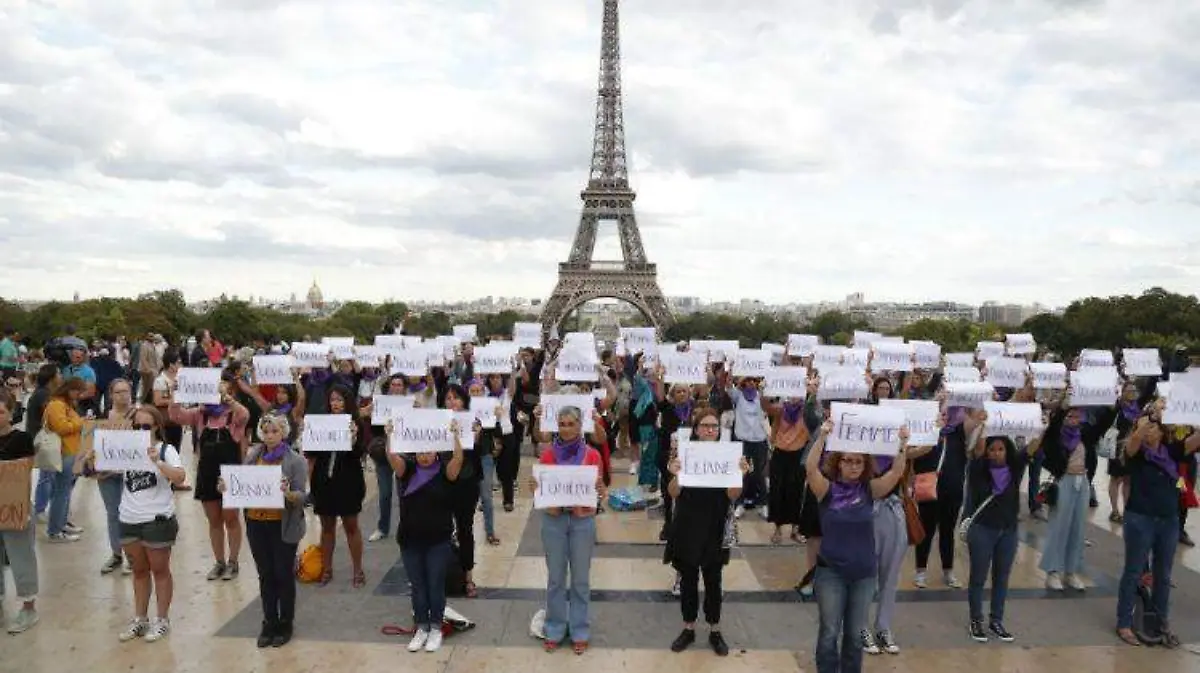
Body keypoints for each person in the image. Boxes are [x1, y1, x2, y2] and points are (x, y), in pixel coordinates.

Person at [805, 419, 907, 673]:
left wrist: (902, 444)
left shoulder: (869, 490)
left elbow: (895, 473)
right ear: (838, 462)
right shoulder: (826, 490)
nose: (852, 466)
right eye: (847, 460)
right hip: (831, 572)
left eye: (858, 461)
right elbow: (810, 469)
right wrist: (822, 438)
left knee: (853, 634)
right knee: (829, 631)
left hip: (863, 574)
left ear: (865, 465)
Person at [663, 408, 749, 656]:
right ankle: (688, 627)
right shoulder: (684, 454)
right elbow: (672, 493)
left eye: (714, 426)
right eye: (705, 426)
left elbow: (733, 495)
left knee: (713, 581)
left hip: (714, 524)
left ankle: (715, 629)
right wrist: (677, 474)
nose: (710, 430)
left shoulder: (728, 455)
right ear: (696, 429)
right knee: (688, 579)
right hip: (688, 524)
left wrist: (739, 475)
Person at [223, 413, 309, 648]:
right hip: (256, 522)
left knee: (283, 573)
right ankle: (269, 620)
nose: (270, 436)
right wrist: (228, 486)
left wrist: (288, 493)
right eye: (266, 431)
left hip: (282, 524)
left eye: (275, 431)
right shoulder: (253, 456)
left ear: (283, 433)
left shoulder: (295, 461)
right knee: (265, 574)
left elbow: (303, 496)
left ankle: (286, 621)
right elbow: (243, 484)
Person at [1115, 414, 1200, 646]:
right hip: (1140, 519)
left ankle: (1160, 623)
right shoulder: (1137, 455)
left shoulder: (1172, 452)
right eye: (1146, 428)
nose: (1149, 431)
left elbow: (1194, 441)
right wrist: (1149, 417)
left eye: (1154, 428)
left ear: (1162, 432)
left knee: (1163, 575)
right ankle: (1124, 623)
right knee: (1133, 572)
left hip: (1168, 520)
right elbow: (1133, 441)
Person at [386, 415, 466, 653]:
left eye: (428, 451)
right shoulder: (407, 470)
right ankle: (421, 626)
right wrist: (390, 434)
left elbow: (459, 459)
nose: (424, 456)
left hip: (438, 540)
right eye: (419, 452)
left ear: (436, 451)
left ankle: (435, 627)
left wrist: (455, 436)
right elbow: (392, 457)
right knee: (418, 585)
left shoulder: (445, 472)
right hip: (410, 539)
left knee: (435, 584)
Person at [530, 404, 606, 655]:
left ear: (579, 425)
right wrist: (535, 485)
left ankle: (580, 629)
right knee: (555, 578)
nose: (565, 429)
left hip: (582, 521)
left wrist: (600, 489)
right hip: (554, 521)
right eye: (561, 424)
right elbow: (541, 489)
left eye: (570, 424)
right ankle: (554, 628)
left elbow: (600, 490)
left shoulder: (592, 455)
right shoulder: (548, 455)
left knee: (581, 579)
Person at [965, 429, 1043, 643]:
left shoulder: (1015, 469)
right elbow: (978, 448)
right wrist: (982, 426)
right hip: (983, 530)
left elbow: (1032, 447)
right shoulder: (978, 469)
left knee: (1001, 578)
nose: (997, 453)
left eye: (1001, 449)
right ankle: (975, 620)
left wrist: (1041, 427)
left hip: (1008, 531)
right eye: (993, 449)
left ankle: (996, 620)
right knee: (978, 578)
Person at [117, 406, 187, 643]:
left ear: (157, 426)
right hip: (128, 518)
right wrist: (90, 460)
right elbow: (99, 472)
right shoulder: (125, 450)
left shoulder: (166, 449)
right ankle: (140, 618)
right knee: (138, 571)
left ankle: (162, 619)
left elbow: (180, 477)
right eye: (136, 426)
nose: (141, 431)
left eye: (146, 427)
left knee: (160, 570)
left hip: (157, 519)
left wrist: (158, 462)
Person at [0, 388, 39, 634]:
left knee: (21, 557)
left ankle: (28, 607)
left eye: (1, 411)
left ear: (10, 412)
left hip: (16, 507)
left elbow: (24, 473)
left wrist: (24, 507)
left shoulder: (22, 439)